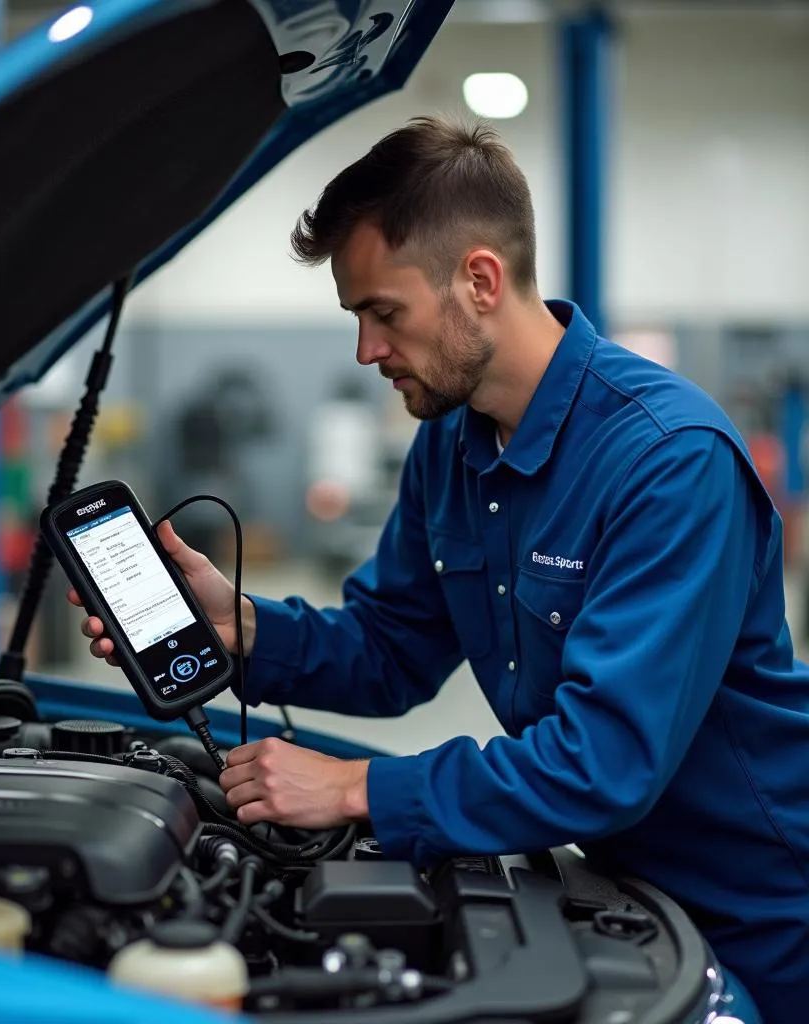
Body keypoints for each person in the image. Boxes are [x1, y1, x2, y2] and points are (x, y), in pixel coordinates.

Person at [70, 116, 809, 1020]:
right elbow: (392, 653)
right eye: (356, 318)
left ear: (480, 281)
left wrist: (355, 787)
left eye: (385, 313)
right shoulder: (450, 447)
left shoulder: (668, 460)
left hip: (767, 911)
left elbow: (604, 762)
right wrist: (243, 626)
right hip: (621, 889)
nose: (365, 351)